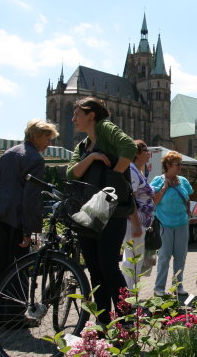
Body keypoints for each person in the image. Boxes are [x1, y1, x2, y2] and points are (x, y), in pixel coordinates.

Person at [67, 97, 137, 325]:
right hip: (90, 212)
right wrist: (93, 157)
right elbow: (71, 174)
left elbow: (129, 147)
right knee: (95, 270)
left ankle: (126, 317)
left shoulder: (105, 128)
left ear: (91, 115)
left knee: (108, 266)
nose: (73, 118)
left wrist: (115, 176)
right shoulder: (82, 145)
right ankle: (104, 321)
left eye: (77, 114)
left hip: (113, 211)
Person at [0, 120, 58, 286]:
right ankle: (14, 310)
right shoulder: (35, 159)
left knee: (1, 267)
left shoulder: (8, 153)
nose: (49, 143)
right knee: (18, 268)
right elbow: (31, 197)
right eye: (47, 138)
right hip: (16, 218)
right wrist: (28, 230)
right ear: (36, 136)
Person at [150, 151, 193, 296]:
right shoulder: (158, 180)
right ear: (168, 165)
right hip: (164, 225)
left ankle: (178, 286)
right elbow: (153, 202)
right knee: (164, 257)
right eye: (177, 164)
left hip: (181, 224)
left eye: (181, 164)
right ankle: (159, 288)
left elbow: (187, 198)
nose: (180, 167)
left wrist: (188, 212)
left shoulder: (183, 181)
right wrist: (164, 188)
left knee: (181, 257)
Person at [121, 140, 154, 289]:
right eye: (145, 150)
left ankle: (129, 296)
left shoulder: (138, 170)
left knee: (132, 259)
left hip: (139, 222)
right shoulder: (132, 170)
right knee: (133, 260)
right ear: (137, 154)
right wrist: (135, 224)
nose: (149, 153)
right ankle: (129, 299)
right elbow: (130, 198)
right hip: (134, 222)